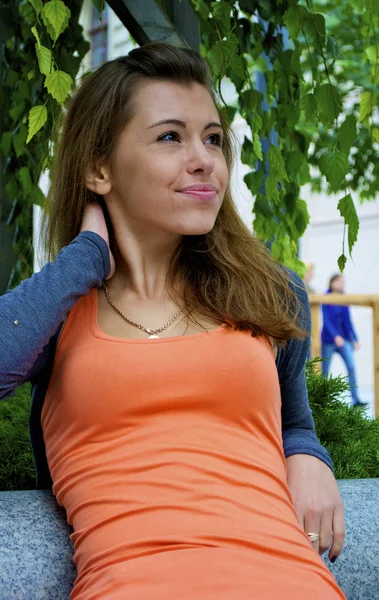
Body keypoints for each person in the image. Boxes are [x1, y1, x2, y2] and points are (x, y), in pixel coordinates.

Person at [0, 43, 345, 599]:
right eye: (170, 137)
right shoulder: (59, 313)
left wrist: (308, 453)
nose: (204, 158)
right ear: (99, 168)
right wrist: (86, 256)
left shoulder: (268, 292)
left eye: (213, 138)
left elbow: (291, 422)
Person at [321, 273, 367, 407]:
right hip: (329, 340)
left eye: (343, 281)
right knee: (324, 371)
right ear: (332, 283)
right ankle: (322, 400)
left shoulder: (345, 298)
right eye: (340, 281)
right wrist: (335, 336)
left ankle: (355, 399)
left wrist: (355, 338)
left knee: (351, 367)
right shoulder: (325, 298)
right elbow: (326, 321)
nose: (342, 284)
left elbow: (348, 321)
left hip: (344, 339)